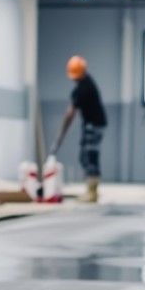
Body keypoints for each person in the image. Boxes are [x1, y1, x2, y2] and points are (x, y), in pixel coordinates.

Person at [49, 55, 108, 202]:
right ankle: (92, 190)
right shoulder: (88, 82)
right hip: (96, 123)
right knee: (89, 155)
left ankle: (92, 192)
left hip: (93, 125)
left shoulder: (82, 89)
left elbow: (70, 114)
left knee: (89, 155)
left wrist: (61, 134)